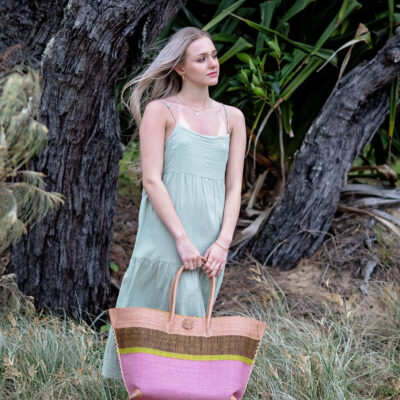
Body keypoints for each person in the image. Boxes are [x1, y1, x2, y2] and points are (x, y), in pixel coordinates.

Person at [102, 26, 246, 380]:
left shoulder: (232, 118)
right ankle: (142, 384)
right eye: (201, 58)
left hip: (211, 235)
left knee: (195, 315)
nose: (213, 63)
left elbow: (234, 186)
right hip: (167, 231)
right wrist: (181, 238)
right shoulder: (161, 111)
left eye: (214, 55)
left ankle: (184, 385)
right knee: (154, 305)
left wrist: (223, 242)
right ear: (180, 68)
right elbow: (152, 179)